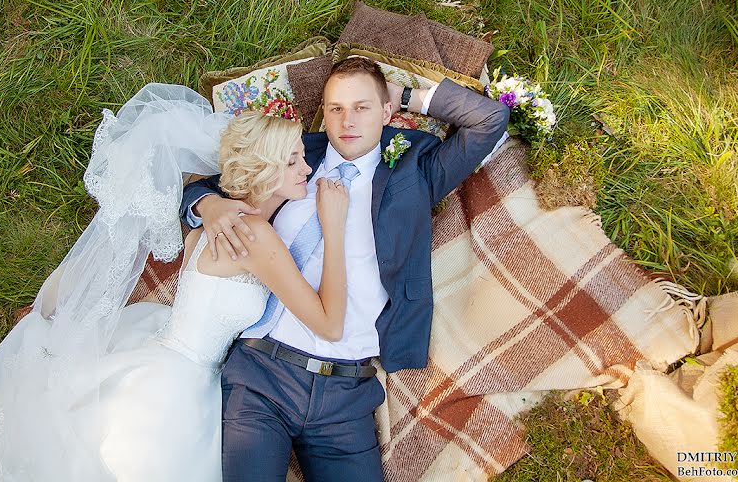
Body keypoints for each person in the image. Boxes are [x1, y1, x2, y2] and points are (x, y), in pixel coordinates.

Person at [0, 83, 354, 481]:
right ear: (262, 169)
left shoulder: (214, 221)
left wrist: (206, 201)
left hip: (162, 349)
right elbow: (329, 325)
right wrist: (333, 228)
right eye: (293, 160)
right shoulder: (256, 237)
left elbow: (196, 195)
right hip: (178, 386)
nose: (307, 168)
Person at [181, 56, 510, 481]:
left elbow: (490, 119)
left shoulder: (417, 168)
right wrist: (206, 205)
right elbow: (208, 186)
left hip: (347, 393)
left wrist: (408, 95)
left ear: (387, 112)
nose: (346, 121)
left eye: (362, 107)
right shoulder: (299, 155)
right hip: (262, 374)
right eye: (335, 108)